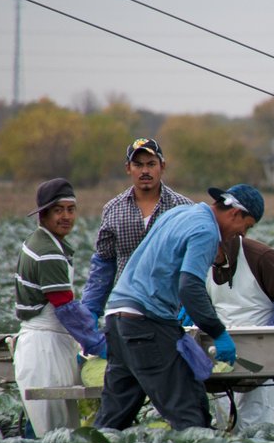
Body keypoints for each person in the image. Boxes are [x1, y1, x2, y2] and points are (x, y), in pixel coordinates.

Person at [94, 184, 259, 431]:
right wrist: (218, 332)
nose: (241, 235)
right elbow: (190, 286)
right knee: (189, 412)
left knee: (114, 417)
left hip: (118, 319)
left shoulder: (180, 213)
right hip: (145, 323)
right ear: (235, 213)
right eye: (245, 228)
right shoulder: (206, 231)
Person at [202, 186, 274, 430]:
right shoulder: (201, 255)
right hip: (223, 358)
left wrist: (267, 345)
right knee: (228, 431)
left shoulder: (261, 256)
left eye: (247, 228)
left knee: (257, 432)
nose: (244, 232)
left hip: (260, 363)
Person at [13, 178, 107, 437]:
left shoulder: (43, 242)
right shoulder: (48, 251)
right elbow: (65, 307)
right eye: (58, 210)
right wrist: (96, 342)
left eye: (70, 209)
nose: (66, 216)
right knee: (50, 431)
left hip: (47, 344)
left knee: (50, 424)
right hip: (45, 349)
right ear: (43, 214)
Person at [82, 137, 192, 324]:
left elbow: (196, 262)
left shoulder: (184, 208)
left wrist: (193, 305)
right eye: (138, 165)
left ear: (162, 166)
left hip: (171, 314)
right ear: (128, 168)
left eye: (151, 164)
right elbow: (103, 266)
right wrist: (90, 309)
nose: (145, 171)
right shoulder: (113, 209)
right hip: (126, 312)